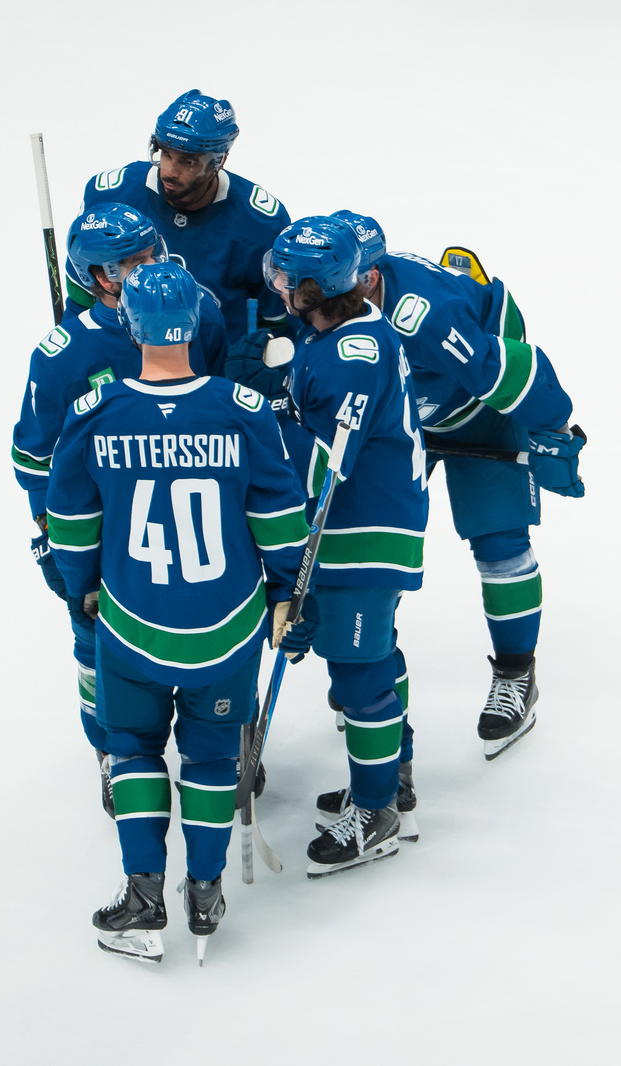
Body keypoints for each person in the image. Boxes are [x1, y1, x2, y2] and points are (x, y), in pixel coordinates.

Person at [45, 260, 307, 964]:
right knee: (214, 755)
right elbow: (279, 515)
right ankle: (207, 891)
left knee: (131, 749)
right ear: (194, 322)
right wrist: (288, 591)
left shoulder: (94, 413)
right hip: (228, 629)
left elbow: (70, 520)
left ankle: (142, 894)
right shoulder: (242, 410)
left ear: (129, 323)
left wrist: (81, 585)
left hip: (132, 623)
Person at [332, 210, 584, 761]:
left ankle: (518, 672)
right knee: (368, 555)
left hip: (481, 413)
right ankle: (366, 674)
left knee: (500, 543)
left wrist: (554, 429)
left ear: (370, 276)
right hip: (402, 427)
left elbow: (511, 370)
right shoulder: (322, 295)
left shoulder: (425, 317)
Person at [13, 203, 229, 814]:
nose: (149, 270)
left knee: (210, 634)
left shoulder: (198, 308)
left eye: (151, 254)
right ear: (98, 278)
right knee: (98, 644)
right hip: (107, 526)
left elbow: (216, 403)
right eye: (130, 264)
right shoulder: (63, 353)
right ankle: (114, 754)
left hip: (196, 511)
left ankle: (220, 747)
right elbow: (33, 454)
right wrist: (49, 530)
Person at [261, 216, 429, 877]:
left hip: (363, 534)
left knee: (360, 675)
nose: (275, 286)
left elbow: (325, 469)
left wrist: (259, 424)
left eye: (285, 279)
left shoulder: (349, 358)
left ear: (312, 288)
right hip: (361, 527)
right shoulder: (334, 336)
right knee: (371, 660)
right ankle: (389, 780)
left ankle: (379, 812)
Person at [77, 89, 292, 336]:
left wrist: (256, 359)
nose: (169, 171)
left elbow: (276, 321)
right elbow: (82, 295)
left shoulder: (260, 222)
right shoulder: (111, 195)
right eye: (166, 154)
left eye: (187, 162)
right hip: (125, 360)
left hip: (216, 365)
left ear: (219, 161)